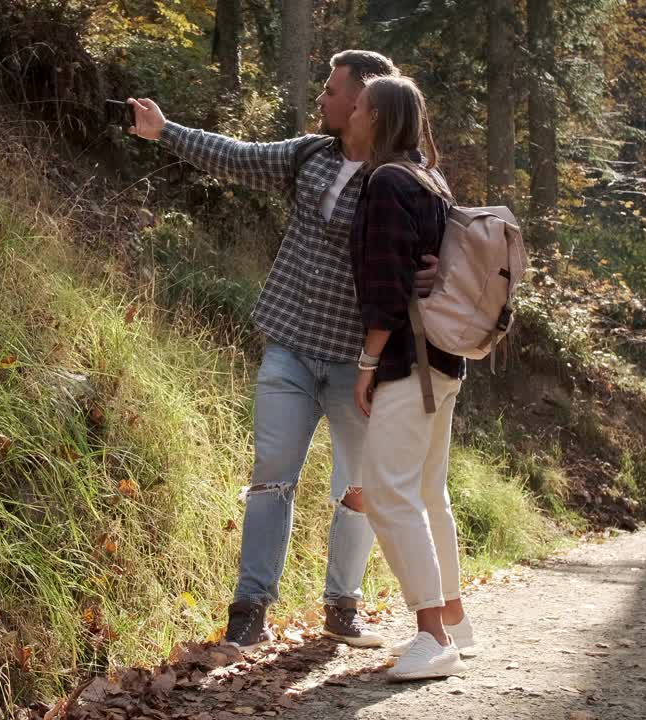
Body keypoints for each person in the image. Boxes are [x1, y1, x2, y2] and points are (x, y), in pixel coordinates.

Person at [127, 51, 439, 651]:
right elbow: (237, 157)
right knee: (271, 478)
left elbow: (437, 249)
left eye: (332, 91)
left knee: (360, 489)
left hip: (360, 366)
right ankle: (250, 609)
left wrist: (429, 275)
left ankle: (341, 605)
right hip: (290, 349)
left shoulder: (403, 178)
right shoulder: (308, 155)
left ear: (364, 104)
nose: (322, 99)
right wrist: (164, 130)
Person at [347, 75, 477, 681]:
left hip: (409, 360)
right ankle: (455, 617)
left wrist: (369, 363)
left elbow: (386, 284)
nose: (348, 113)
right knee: (428, 491)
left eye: (357, 106)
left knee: (387, 488)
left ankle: (433, 636)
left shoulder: (386, 182)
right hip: (447, 360)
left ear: (376, 117)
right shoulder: (433, 180)